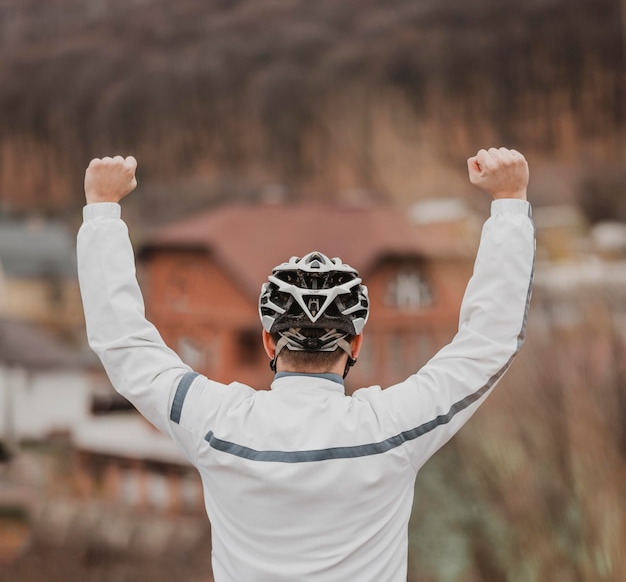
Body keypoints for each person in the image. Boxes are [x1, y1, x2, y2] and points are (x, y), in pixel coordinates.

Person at [77, 147, 534, 581]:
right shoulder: (390, 429)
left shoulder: (219, 426)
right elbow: (489, 342)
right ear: (355, 345)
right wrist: (509, 203)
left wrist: (103, 209)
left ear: (267, 343)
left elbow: (124, 345)